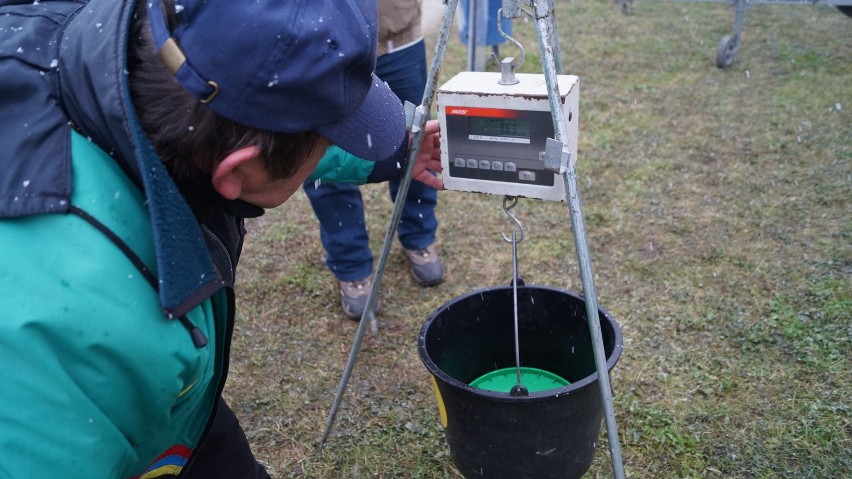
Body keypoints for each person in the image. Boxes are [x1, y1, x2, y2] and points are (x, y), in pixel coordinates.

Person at [0, 0, 441, 478]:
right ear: (239, 169)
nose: (326, 152)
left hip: (180, 417)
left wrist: (387, 157)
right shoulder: (73, 343)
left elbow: (255, 135)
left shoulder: (137, 43)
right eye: (326, 142)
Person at [303, 0, 444, 321]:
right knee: (320, 149)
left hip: (397, 31)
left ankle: (420, 237)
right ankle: (351, 265)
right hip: (317, 41)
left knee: (417, 138)